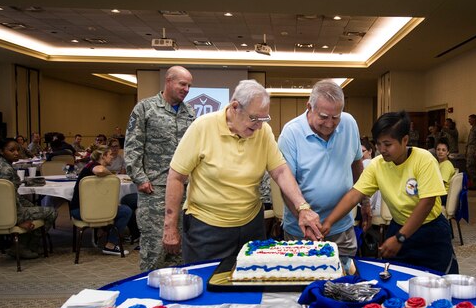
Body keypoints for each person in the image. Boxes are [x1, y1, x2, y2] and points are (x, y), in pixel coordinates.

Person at [163, 79, 323, 264]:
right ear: (235, 107)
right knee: (209, 283)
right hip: (207, 228)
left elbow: (280, 171)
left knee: (251, 281)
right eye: (254, 119)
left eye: (264, 119)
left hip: (251, 225)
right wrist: (170, 227)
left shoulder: (262, 132)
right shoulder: (203, 127)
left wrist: (302, 207)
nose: (259, 126)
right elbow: (176, 177)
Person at [321, 111, 459, 274]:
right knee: (396, 280)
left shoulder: (424, 159)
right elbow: (354, 195)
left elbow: (427, 202)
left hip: (430, 232)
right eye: (378, 144)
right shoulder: (378, 165)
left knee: (438, 283)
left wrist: (401, 237)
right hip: (398, 227)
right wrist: (328, 222)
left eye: (387, 144)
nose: (382, 149)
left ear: (405, 140)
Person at [277, 80, 370, 271]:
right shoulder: (291, 133)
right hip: (301, 230)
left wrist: (365, 201)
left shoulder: (349, 123)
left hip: (341, 226)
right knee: (301, 283)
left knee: (343, 281)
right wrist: (303, 217)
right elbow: (286, 186)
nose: (330, 124)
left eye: (335, 118)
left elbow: (356, 165)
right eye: (324, 117)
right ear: (309, 107)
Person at [124, 66, 195, 271]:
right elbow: (132, 146)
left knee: (180, 249)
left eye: (189, 85)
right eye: (183, 84)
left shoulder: (189, 113)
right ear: (169, 81)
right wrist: (140, 179)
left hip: (183, 190)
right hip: (155, 189)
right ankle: (148, 296)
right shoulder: (146, 108)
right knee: (155, 247)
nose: (186, 89)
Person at [0, 138, 57, 259]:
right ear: (2, 151)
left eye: (17, 150)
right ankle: (26, 247)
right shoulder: (6, 170)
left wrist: (29, 206)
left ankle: (21, 245)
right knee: (51, 212)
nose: (16, 153)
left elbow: (10, 196)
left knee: (34, 208)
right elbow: (7, 198)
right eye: (11, 150)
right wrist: (18, 220)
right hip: (7, 212)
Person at [70, 146, 131, 256]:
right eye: (110, 155)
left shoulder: (91, 166)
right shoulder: (92, 165)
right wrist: (111, 174)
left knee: (122, 209)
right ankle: (110, 244)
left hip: (90, 209)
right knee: (126, 211)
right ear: (103, 156)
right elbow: (100, 170)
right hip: (80, 210)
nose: (112, 158)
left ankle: (104, 235)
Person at [435, 139, 456, 206]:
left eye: (443, 150)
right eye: (438, 149)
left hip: (442, 196)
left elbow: (441, 184)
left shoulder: (446, 165)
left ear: (447, 152)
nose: (440, 152)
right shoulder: (439, 163)